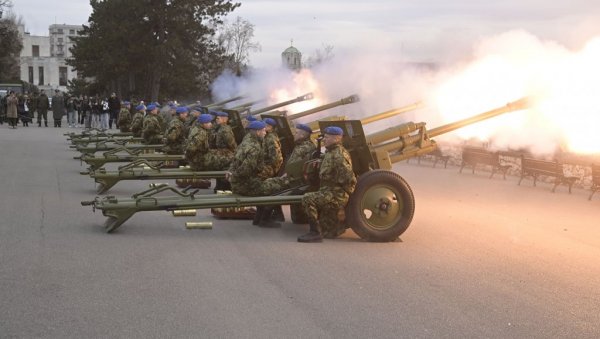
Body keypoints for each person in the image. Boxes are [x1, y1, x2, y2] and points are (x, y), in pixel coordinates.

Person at [298, 126, 356, 243]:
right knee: (329, 232)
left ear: (336, 139)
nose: (324, 139)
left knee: (308, 199)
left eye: (327, 137)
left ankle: (315, 233)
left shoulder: (339, 155)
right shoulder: (331, 152)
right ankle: (332, 227)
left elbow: (350, 179)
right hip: (328, 191)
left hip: (335, 193)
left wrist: (343, 200)